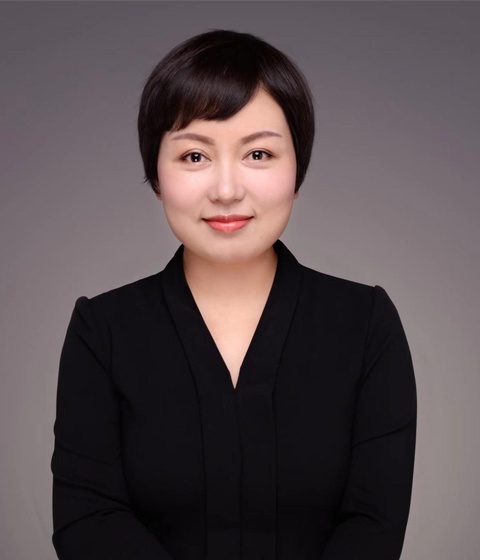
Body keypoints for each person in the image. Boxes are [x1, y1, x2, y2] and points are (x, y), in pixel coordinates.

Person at [51, 29, 417, 560]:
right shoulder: (103, 330)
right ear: (156, 173)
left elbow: (374, 525)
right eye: (194, 156)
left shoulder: (364, 324)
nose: (226, 190)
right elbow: (87, 520)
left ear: (298, 170)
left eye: (259, 153)